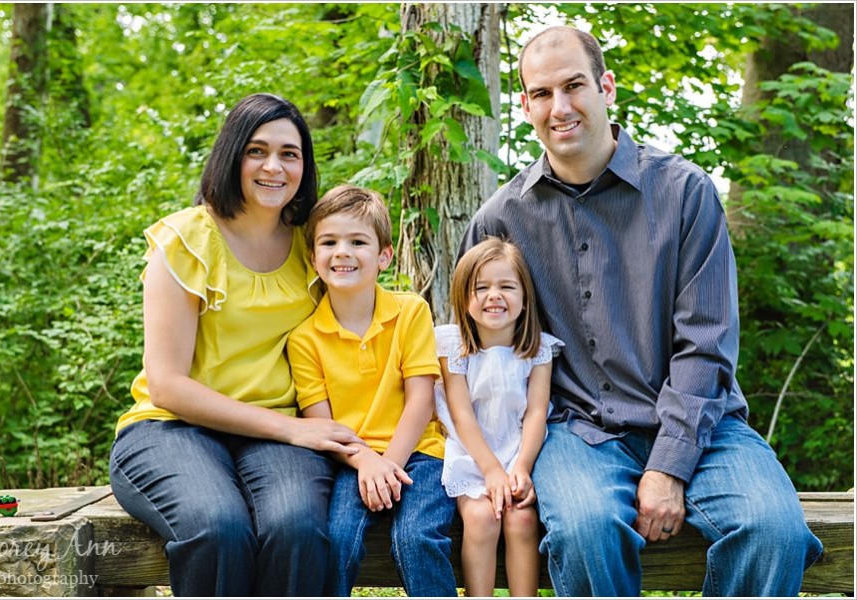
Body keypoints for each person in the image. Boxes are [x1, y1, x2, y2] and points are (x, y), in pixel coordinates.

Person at [460, 26, 823, 597]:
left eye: (574, 86)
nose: (560, 108)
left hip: (703, 426)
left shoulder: (685, 193)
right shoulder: (500, 221)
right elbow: (480, 353)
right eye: (541, 93)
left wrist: (669, 465)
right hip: (576, 431)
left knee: (772, 530)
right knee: (583, 531)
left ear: (605, 87)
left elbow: (705, 344)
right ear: (525, 104)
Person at [109, 93, 365, 597]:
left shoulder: (312, 245)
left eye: (289, 154)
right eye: (257, 150)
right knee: (217, 527)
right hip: (171, 430)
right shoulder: (186, 240)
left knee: (296, 531)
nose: (274, 166)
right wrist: (294, 431)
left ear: (304, 166)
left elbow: (355, 334)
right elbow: (166, 384)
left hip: (277, 438)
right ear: (232, 156)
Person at [287, 184, 457, 597]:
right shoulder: (304, 338)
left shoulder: (410, 310)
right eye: (329, 242)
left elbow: (420, 399)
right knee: (337, 540)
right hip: (351, 459)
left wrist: (390, 465)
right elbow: (321, 424)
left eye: (357, 241)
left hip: (420, 453)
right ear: (313, 258)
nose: (342, 252)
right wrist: (367, 463)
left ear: (384, 256)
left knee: (415, 537)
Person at [434, 237, 563, 596]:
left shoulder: (538, 349)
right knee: (480, 519)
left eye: (507, 286)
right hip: (471, 453)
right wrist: (490, 470)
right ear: (464, 297)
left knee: (521, 521)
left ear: (524, 299)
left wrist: (520, 466)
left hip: (519, 451)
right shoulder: (453, 346)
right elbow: (460, 414)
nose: (494, 295)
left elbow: (537, 412)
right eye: (482, 288)